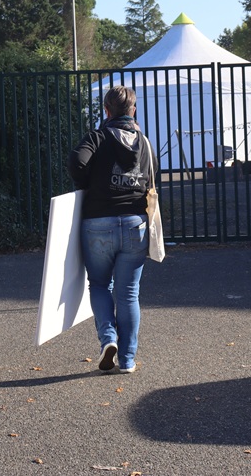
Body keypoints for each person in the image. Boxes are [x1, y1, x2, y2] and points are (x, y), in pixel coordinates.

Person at [68, 86, 157, 374]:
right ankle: (127, 360)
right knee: (129, 293)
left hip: (98, 222)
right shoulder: (144, 142)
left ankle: (108, 339)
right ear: (133, 109)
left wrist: (88, 184)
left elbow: (76, 162)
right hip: (135, 224)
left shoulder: (97, 137)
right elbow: (152, 177)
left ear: (106, 111)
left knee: (99, 285)